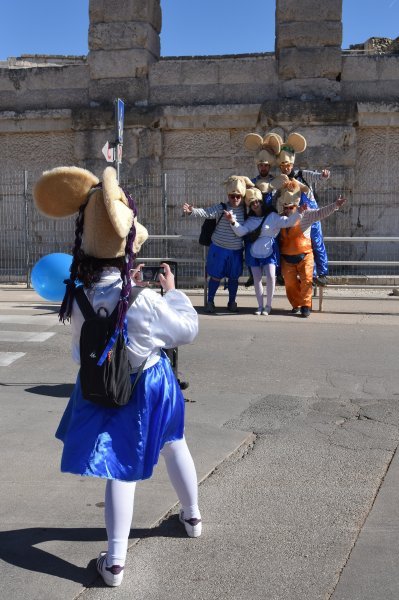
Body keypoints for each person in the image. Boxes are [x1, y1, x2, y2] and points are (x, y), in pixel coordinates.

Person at [33, 165, 202, 588]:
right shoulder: (142, 298)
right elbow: (186, 331)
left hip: (104, 385)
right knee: (173, 442)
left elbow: (78, 350)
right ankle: (192, 518)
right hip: (151, 385)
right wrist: (173, 292)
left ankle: (115, 561)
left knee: (119, 469)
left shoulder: (76, 296)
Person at [224, 187, 302, 315]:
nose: (255, 205)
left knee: (271, 277)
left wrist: (299, 212)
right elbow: (241, 232)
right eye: (252, 203)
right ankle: (260, 306)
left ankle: (268, 306)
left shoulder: (272, 216)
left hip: (269, 251)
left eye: (257, 202)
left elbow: (288, 222)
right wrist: (232, 221)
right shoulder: (249, 221)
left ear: (261, 202)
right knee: (257, 279)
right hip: (253, 251)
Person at [182, 175, 253, 314]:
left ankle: (232, 302)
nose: (235, 199)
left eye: (238, 196)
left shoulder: (246, 210)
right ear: (228, 195)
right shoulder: (221, 208)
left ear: (243, 195)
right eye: (232, 196)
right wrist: (192, 211)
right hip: (219, 249)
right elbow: (206, 213)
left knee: (234, 278)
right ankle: (210, 302)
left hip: (236, 251)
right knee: (215, 276)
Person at [276, 180, 347, 318]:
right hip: (287, 258)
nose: (288, 210)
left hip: (305, 256)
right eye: (285, 207)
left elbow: (321, 212)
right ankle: (296, 304)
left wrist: (335, 205)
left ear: (296, 206)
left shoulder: (307, 214)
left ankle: (305, 306)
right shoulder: (279, 218)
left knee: (307, 280)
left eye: (291, 207)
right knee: (290, 284)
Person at [276, 134, 330, 286]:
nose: (285, 168)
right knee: (298, 245)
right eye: (282, 165)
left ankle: (323, 274)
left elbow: (318, 177)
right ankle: (304, 275)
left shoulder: (302, 174)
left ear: (292, 163)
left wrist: (324, 175)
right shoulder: (280, 180)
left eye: (287, 164)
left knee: (316, 242)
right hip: (295, 216)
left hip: (311, 213)